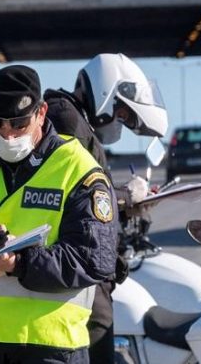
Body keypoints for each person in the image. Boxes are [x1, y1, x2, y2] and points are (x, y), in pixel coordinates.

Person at [0, 65, 118, 363]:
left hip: (52, 351)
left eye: (18, 123)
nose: (7, 134)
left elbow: (95, 261)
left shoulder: (77, 168)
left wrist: (19, 262)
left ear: (41, 112)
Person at [43, 53, 168, 363]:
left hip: (81, 266)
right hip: (79, 269)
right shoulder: (68, 123)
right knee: (99, 334)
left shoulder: (74, 121)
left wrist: (124, 203)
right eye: (122, 112)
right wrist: (124, 196)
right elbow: (77, 193)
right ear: (105, 95)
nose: (123, 121)